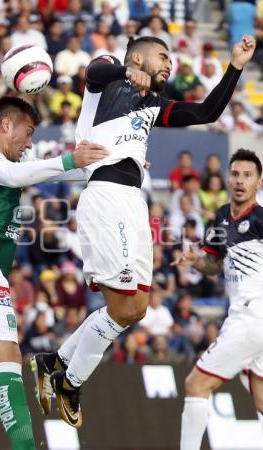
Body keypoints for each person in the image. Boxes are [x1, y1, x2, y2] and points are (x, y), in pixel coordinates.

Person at [31, 35, 256, 428]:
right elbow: (94, 70)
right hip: (106, 195)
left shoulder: (153, 105)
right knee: (122, 308)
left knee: (134, 309)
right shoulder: (110, 81)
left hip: (132, 202)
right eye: (163, 56)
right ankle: (70, 379)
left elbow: (206, 111)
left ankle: (57, 361)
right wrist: (126, 70)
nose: (170, 63)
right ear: (137, 57)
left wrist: (235, 65)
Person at [0, 95, 108, 449]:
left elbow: (45, 167)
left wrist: (116, 163)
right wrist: (72, 158)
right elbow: (18, 173)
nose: (30, 143)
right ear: (6, 125)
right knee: (8, 357)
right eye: (27, 133)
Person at [172, 148, 263, 450]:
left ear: (258, 183)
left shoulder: (261, 219)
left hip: (252, 318)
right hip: (248, 319)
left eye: (248, 175)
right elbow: (212, 265)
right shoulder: (222, 217)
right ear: (227, 177)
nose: (240, 180)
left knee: (195, 385)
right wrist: (194, 259)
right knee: (261, 397)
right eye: (235, 173)